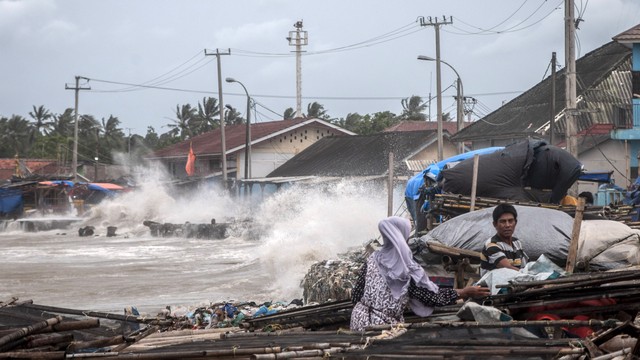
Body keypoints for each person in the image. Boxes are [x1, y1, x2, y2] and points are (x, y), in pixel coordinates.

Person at [350, 216, 490, 331]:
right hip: (382, 328)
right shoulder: (406, 268)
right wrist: (464, 292)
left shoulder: (373, 259)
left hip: (358, 321)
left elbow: (356, 295)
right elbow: (431, 298)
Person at [480, 204, 529, 276]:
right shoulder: (491, 245)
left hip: (514, 283)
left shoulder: (517, 243)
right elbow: (507, 268)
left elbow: (524, 267)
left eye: (510, 221)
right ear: (495, 224)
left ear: (515, 223)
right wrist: (531, 275)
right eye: (503, 221)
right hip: (492, 286)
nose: (507, 225)